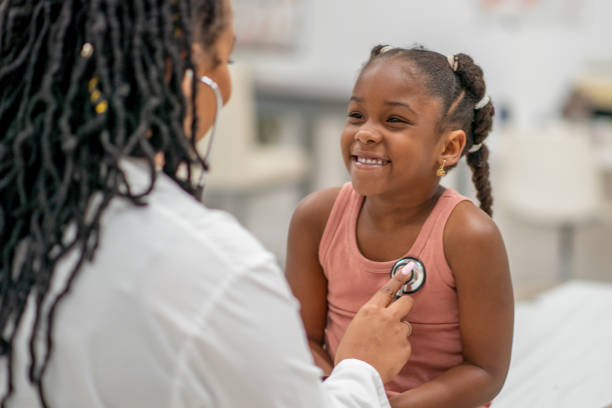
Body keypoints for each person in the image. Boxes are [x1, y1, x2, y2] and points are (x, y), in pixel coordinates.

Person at [0, 2, 415, 407]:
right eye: (225, 61)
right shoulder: (220, 274)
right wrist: (362, 368)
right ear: (178, 75)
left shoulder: (24, 213)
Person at [285, 45, 514, 408]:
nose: (366, 133)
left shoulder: (469, 236)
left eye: (394, 120)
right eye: (356, 115)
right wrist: (346, 393)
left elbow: (485, 372)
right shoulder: (316, 218)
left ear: (449, 148)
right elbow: (302, 340)